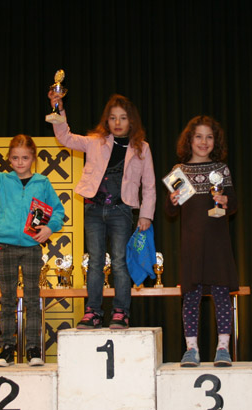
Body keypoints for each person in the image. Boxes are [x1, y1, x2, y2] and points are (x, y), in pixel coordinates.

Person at [48, 92, 155, 329]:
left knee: (119, 262)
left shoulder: (142, 148)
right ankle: (93, 311)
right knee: (95, 261)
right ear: (106, 120)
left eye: (123, 118)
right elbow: (65, 137)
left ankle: (121, 311)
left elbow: (149, 184)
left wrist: (146, 214)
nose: (117, 123)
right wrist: (58, 108)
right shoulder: (95, 141)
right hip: (94, 210)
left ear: (131, 121)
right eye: (113, 118)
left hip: (121, 211)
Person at [0, 118, 64, 367]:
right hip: (6, 246)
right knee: (7, 299)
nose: (20, 162)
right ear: (9, 159)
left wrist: (49, 228)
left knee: (33, 298)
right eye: (15, 158)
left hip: (32, 246)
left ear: (33, 158)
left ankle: (33, 348)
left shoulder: (42, 183)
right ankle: (7, 349)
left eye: (25, 158)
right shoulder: (2, 181)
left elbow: (58, 211)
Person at [165, 116, 238, 367]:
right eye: (198, 136)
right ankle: (191, 350)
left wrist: (226, 201)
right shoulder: (179, 171)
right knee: (191, 298)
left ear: (215, 141)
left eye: (209, 137)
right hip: (192, 247)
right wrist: (172, 201)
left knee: (222, 296)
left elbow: (233, 203)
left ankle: (223, 349)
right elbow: (170, 211)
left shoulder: (222, 169)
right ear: (189, 140)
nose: (204, 142)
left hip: (218, 246)